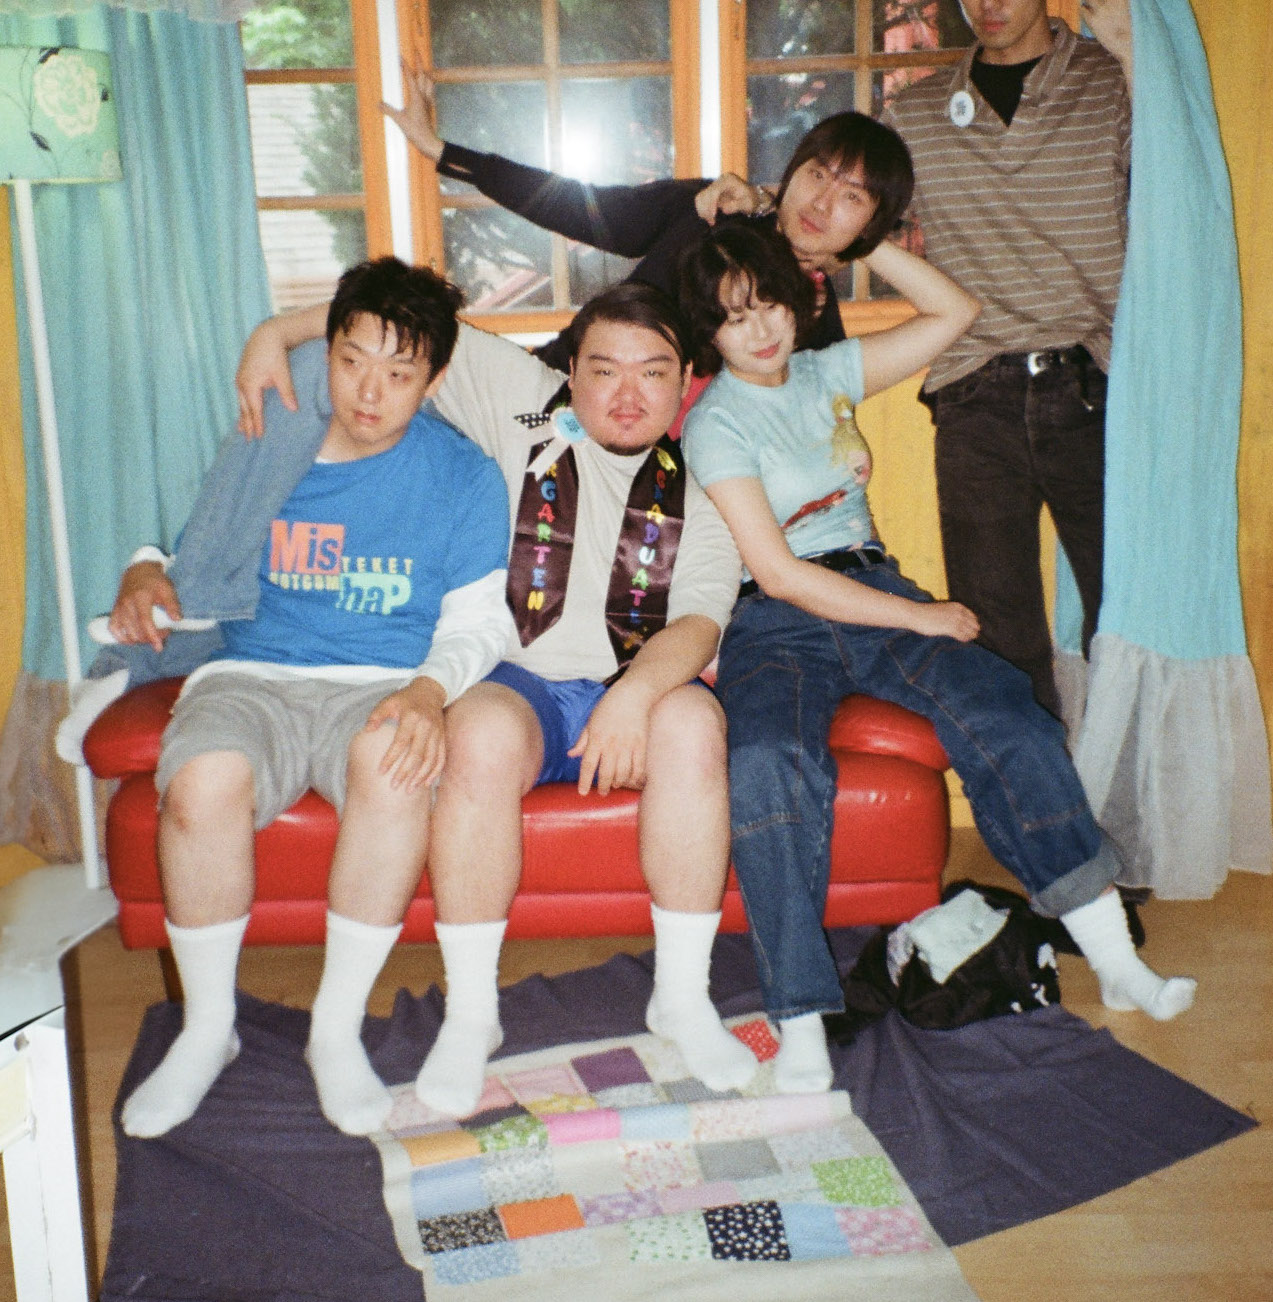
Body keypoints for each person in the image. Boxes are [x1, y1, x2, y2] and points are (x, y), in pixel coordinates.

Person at [676, 221, 1195, 1093]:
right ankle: (800, 1018)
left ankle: (1113, 959)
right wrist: (921, 618)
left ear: (797, 299)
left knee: (1005, 714)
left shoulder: (827, 373)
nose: (759, 328)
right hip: (774, 619)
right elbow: (780, 572)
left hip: (872, 587)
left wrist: (858, 242)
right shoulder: (715, 422)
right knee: (767, 761)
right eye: (733, 317)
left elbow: (955, 311)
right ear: (709, 333)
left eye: (769, 303)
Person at [232, 280, 756, 1117]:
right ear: (569, 374)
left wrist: (633, 696)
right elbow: (398, 317)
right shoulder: (522, 403)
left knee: (694, 724)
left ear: (685, 380)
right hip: (519, 681)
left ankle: (682, 999)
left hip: (638, 680)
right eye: (604, 370)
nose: (626, 394)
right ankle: (474, 1012)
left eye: (652, 372)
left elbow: (698, 623)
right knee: (474, 737)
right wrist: (275, 329)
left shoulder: (709, 485)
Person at [110, 257, 515, 1139]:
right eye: (351, 361)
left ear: (434, 380)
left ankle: (335, 1027)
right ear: (325, 352)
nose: (368, 392)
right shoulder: (275, 435)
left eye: (398, 373)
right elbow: (193, 543)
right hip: (252, 672)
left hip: (379, 684)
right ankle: (208, 1028)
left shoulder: (463, 474)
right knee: (202, 781)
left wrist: (427, 692)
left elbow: (481, 622)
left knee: (395, 767)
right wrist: (145, 567)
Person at [696, 0, 1134, 717]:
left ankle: (1125, 781)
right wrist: (770, 204)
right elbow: (844, 195)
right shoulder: (922, 110)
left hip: (1096, 379)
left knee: (1126, 612)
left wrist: (1132, 55)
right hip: (974, 389)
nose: (989, 5)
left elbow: (1171, 188)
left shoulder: (1109, 75)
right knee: (997, 637)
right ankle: (1034, 780)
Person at [374, 67, 912, 376]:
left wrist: (849, 248)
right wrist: (443, 153)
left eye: (852, 197)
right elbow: (578, 205)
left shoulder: (814, 321)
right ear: (793, 172)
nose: (822, 203)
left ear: (871, 224)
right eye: (817, 175)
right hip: (556, 386)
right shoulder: (713, 209)